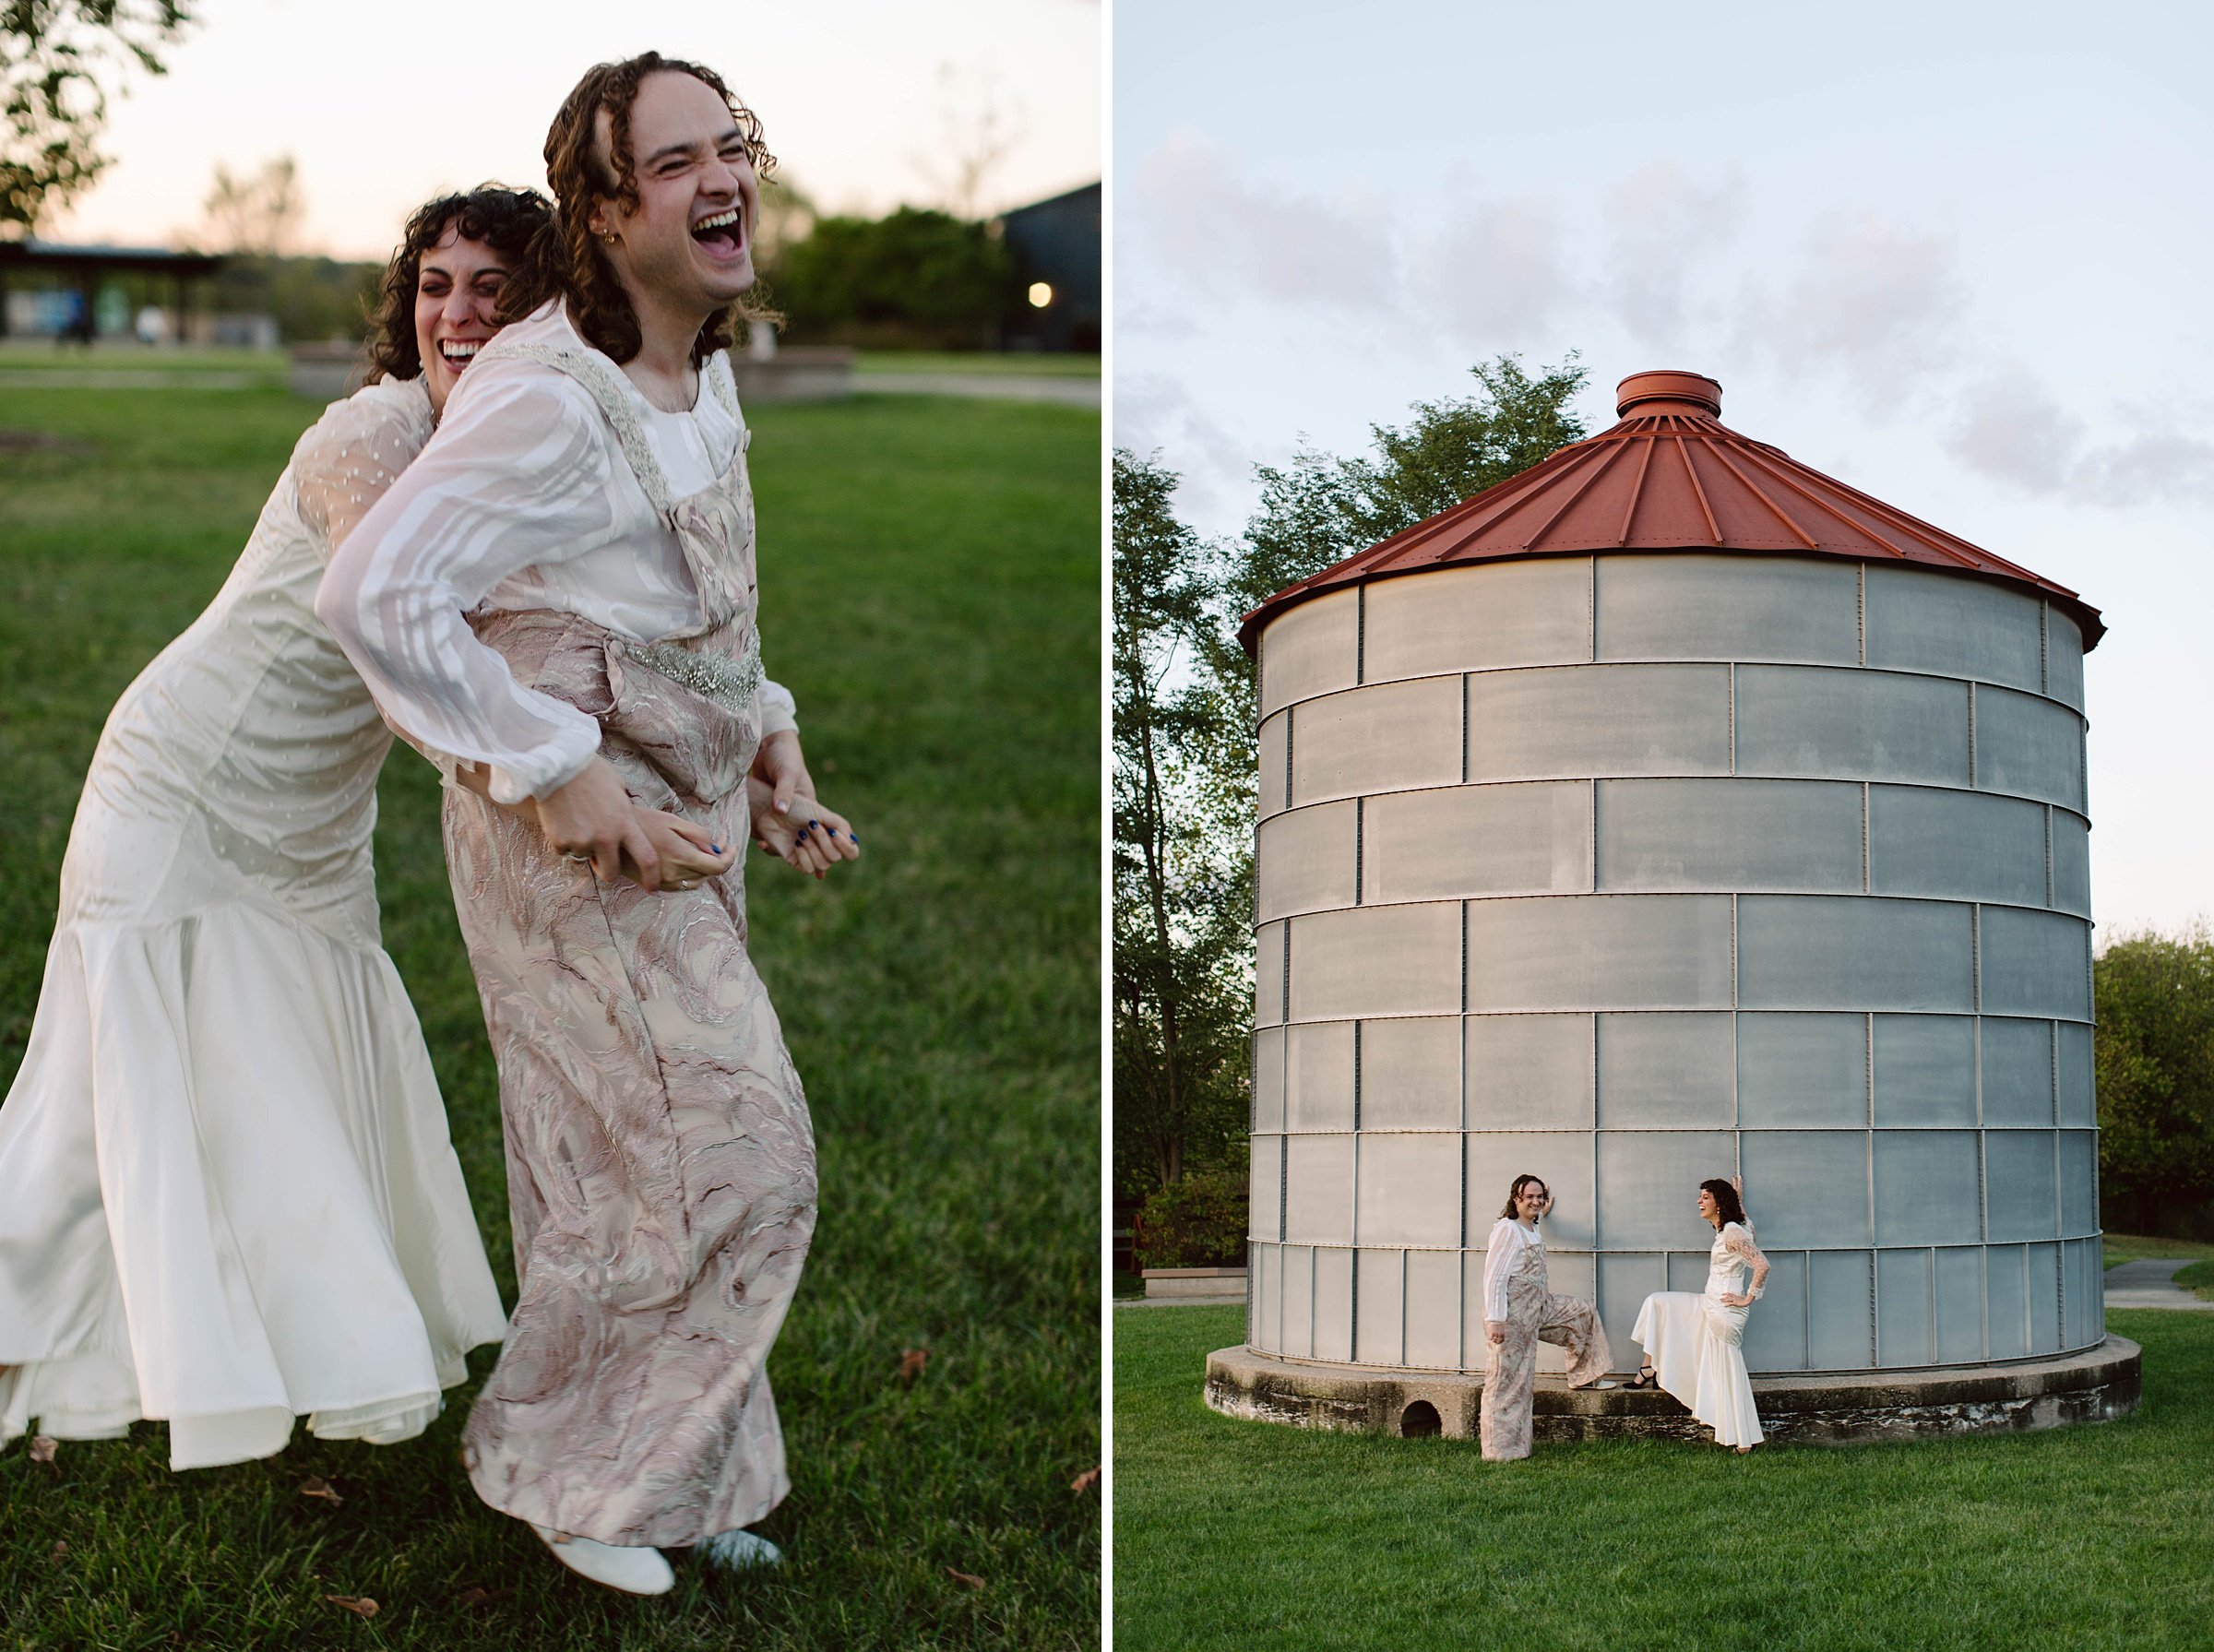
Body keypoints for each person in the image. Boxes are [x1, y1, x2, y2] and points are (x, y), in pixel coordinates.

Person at [320, 53, 859, 1596]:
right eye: (675, 162)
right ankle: (577, 1476)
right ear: (605, 210)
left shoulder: (704, 363)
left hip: (684, 816)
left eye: (730, 146)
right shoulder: (552, 397)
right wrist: (552, 764)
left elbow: (702, 608)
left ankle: (677, 1478)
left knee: (627, 1162)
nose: (722, 180)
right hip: (568, 830)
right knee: (728, 1157)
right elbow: (376, 592)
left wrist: (775, 752)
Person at [0, 186, 574, 1468]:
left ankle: (267, 1343)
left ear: (548, 310)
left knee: (277, 1093)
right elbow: (404, 650)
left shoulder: (512, 453)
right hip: (189, 786)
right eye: (436, 283)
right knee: (102, 1118)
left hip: (314, 822)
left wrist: (755, 730)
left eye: (494, 286)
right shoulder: (366, 436)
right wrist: (553, 784)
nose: (458, 311)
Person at [1626, 1177, 1769, 1452]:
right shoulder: (1737, 1227)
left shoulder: (1732, 1232)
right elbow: (1748, 1228)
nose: (1699, 1201)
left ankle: (1742, 1440)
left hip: (1724, 1311)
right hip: (1710, 1304)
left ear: (1718, 1203)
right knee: (1658, 1302)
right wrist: (1738, 1200)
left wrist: (1747, 1298)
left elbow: (1762, 1265)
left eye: (1705, 1197)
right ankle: (1648, 1368)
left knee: (1728, 1371)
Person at [1479, 1174, 1615, 1461]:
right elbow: (1495, 1277)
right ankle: (1500, 1450)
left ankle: (1583, 1375)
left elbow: (1534, 1222)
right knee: (1509, 1381)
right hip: (1513, 1317)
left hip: (1540, 1307)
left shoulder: (1530, 1227)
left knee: (1582, 1313)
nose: (1536, 1202)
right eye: (1529, 1197)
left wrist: (1542, 1213)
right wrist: (1496, 1319)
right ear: (1515, 1198)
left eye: (1539, 1197)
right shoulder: (1508, 1230)